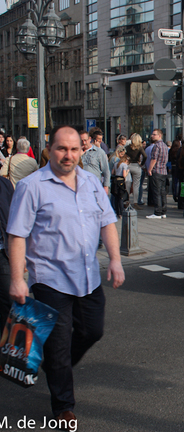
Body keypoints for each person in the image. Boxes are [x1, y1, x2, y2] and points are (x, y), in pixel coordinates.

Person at [6, 125, 125, 426]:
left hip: (88, 276)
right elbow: (17, 234)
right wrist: (18, 278)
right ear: (50, 149)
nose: (68, 155)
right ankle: (63, 407)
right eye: (62, 148)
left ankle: (57, 367)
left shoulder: (91, 182)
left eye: (74, 149)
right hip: (50, 278)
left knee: (92, 331)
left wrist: (115, 260)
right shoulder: (31, 186)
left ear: (82, 150)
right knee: (58, 346)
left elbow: (108, 222)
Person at [146, 129, 169, 219]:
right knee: (162, 192)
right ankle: (163, 211)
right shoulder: (164, 146)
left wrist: (149, 169)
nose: (152, 136)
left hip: (157, 171)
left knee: (157, 192)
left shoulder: (156, 146)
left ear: (159, 136)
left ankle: (157, 212)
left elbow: (154, 159)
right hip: (163, 171)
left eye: (154, 134)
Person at [0, 176, 13, 328]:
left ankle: (7, 348)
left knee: (8, 302)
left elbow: (14, 219)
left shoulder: (4, 184)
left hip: (3, 253)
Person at [80, 129, 110, 194]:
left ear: (90, 139)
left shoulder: (99, 152)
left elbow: (106, 170)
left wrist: (106, 186)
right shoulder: (76, 153)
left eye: (85, 140)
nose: (83, 143)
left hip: (95, 187)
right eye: (81, 141)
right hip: (81, 187)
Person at [125, 133, 147, 210]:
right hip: (136, 166)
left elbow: (124, 155)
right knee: (136, 185)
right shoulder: (140, 148)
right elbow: (145, 156)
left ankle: (127, 201)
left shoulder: (127, 147)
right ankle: (135, 203)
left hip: (128, 165)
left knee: (127, 184)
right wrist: (141, 164)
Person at [112, 152, 130, 217]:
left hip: (115, 181)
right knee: (121, 197)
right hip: (121, 181)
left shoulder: (116, 164)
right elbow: (124, 175)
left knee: (116, 197)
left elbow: (113, 172)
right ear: (125, 160)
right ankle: (121, 212)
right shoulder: (124, 165)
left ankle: (117, 212)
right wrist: (127, 172)